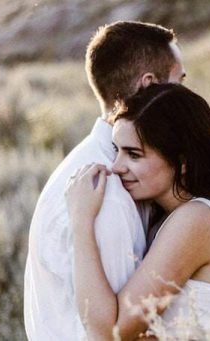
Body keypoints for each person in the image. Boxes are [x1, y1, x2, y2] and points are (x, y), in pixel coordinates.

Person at [65, 83, 210, 340]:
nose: (116, 166)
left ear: (182, 163)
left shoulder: (196, 220)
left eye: (134, 155)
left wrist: (81, 220)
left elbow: (109, 332)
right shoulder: (192, 215)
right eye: (117, 150)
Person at [23, 21, 186, 340]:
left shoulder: (98, 166)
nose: (187, 97)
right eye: (179, 82)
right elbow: (116, 332)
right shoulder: (106, 190)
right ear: (149, 85)